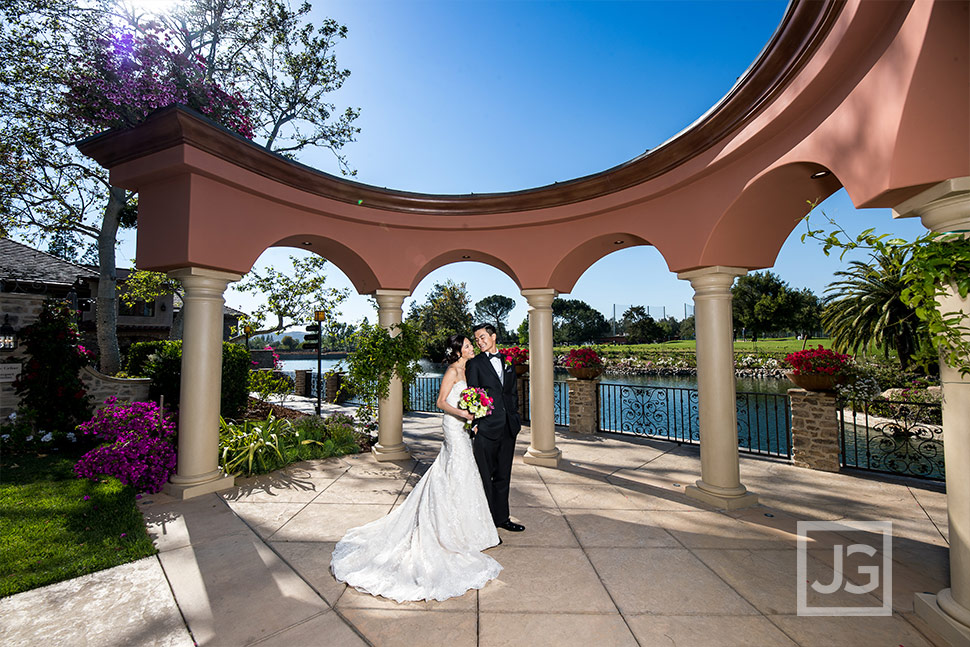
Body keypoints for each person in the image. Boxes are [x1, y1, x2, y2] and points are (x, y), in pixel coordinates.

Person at [329, 335, 501, 602]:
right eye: (467, 345)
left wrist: (474, 415)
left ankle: (469, 528)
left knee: (463, 473)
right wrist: (464, 414)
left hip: (465, 428)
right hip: (454, 428)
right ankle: (447, 528)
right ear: (457, 351)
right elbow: (442, 402)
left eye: (471, 345)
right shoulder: (453, 370)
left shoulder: (469, 369)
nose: (471, 348)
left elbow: (470, 397)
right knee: (455, 469)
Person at [465, 323, 525, 533]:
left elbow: (512, 393)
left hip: (508, 426)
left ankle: (502, 519)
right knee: (484, 478)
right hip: (487, 428)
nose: (479, 342)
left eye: (482, 337)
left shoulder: (508, 360)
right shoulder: (475, 364)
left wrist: (515, 417)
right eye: (477, 339)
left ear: (493, 336)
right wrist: (476, 424)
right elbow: (472, 394)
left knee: (503, 476)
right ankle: (486, 525)